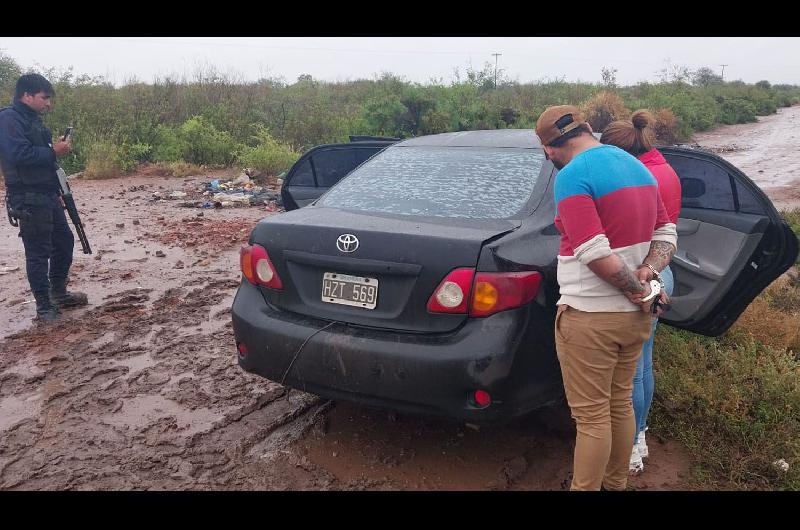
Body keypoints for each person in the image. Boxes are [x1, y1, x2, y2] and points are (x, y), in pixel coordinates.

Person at [535, 105, 677, 491]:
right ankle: (616, 485)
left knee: (592, 419)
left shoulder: (573, 176)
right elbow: (666, 234)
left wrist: (635, 288)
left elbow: (594, 252)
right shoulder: (636, 166)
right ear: (587, 129)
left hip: (590, 317)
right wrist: (648, 278)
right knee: (618, 404)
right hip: (634, 320)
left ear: (549, 148)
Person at [600, 110, 682, 474]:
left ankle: (630, 447)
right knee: (642, 364)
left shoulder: (639, 177)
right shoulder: (664, 168)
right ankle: (641, 437)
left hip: (642, 275)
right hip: (663, 271)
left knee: (630, 369)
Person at [0, 73, 88, 322]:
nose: (48, 103)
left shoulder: (33, 120)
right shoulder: (8, 119)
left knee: (64, 241)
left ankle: (58, 292)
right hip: (27, 198)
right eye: (44, 97)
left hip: (47, 193)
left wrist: (56, 191)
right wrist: (53, 150)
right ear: (26, 95)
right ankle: (44, 307)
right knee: (38, 253)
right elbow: (19, 155)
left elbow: (42, 161)